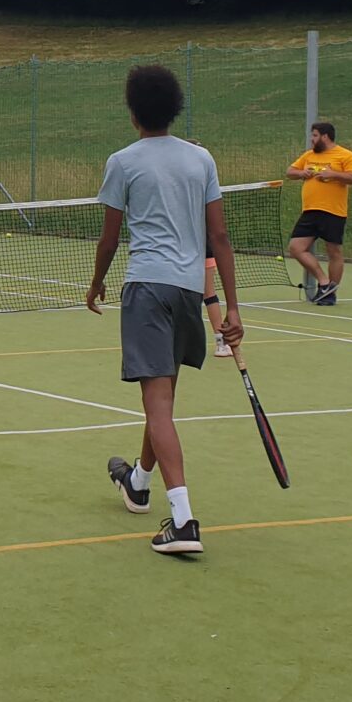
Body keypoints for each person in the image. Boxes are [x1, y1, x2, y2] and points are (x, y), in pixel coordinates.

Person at [84, 63, 242, 556]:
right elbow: (219, 236)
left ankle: (183, 521)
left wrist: (96, 282)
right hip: (189, 292)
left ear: (133, 112)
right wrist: (233, 309)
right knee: (164, 399)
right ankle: (137, 482)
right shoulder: (201, 159)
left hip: (148, 289)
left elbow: (110, 238)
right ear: (174, 109)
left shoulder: (122, 162)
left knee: (157, 405)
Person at [284, 119, 352, 306]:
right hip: (310, 211)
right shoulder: (309, 155)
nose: (312, 139)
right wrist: (302, 173)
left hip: (333, 211)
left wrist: (332, 174)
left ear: (325, 137)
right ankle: (324, 282)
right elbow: (290, 171)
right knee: (295, 247)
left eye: (315, 135)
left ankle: (330, 293)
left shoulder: (346, 155)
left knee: (333, 251)